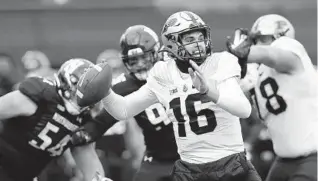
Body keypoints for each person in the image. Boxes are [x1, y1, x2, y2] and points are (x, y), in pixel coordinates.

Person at [84, 11, 261, 181]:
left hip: (232, 163)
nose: (198, 44)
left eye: (200, 37)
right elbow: (122, 110)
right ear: (172, 44)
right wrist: (104, 91)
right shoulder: (163, 73)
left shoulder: (221, 61)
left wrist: (209, 91)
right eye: (190, 39)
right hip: (192, 170)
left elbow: (244, 110)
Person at [226, 14, 317, 181]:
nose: (255, 44)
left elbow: (274, 55)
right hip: (283, 160)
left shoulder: (291, 54)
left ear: (280, 37)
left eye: (262, 39)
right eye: (253, 40)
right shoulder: (258, 73)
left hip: (312, 158)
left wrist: (247, 53)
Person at [0, 58, 111, 181]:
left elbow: (89, 159)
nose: (80, 95)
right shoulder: (41, 95)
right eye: (78, 87)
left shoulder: (83, 122)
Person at [110, 25, 179, 181]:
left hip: (193, 156)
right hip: (157, 160)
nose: (140, 64)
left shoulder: (176, 72)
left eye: (144, 57)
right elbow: (100, 119)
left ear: (156, 53)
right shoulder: (123, 87)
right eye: (134, 60)